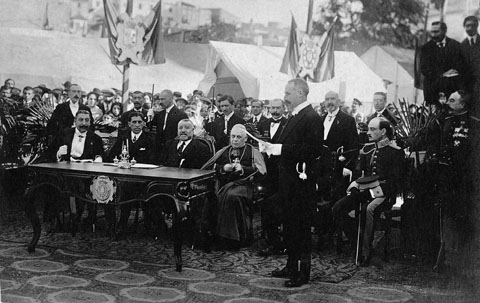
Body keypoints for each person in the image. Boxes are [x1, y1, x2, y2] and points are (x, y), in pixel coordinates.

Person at [262, 78, 324, 287]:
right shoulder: (296, 115)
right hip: (288, 182)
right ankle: (291, 266)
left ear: (300, 92)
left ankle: (302, 272)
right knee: (289, 225)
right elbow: (291, 144)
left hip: (301, 184)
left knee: (301, 227)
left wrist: (281, 149)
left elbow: (313, 150)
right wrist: (272, 147)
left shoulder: (312, 117)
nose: (285, 97)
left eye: (288, 94)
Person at [332, 117, 405, 266]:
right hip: (367, 189)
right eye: (368, 129)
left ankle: (365, 251)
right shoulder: (367, 149)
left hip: (384, 193)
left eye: (373, 129)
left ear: (383, 131)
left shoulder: (395, 152)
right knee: (338, 208)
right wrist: (356, 186)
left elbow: (394, 182)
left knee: (368, 209)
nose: (368, 133)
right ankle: (357, 243)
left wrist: (371, 190)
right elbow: (361, 173)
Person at [201, 124, 266, 249]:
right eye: (233, 136)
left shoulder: (253, 152)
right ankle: (216, 236)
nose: (235, 140)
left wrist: (244, 169)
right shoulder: (223, 151)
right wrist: (224, 168)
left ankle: (234, 238)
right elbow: (209, 167)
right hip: (222, 185)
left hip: (245, 186)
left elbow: (262, 172)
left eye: (238, 137)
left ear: (245, 139)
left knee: (233, 196)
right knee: (211, 197)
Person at [255, 98, 288, 256]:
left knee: (279, 206)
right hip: (267, 171)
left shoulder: (288, 124)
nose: (275, 111)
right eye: (272, 108)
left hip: (282, 171)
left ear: (283, 108)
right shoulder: (263, 124)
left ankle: (281, 240)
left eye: (278, 108)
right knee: (266, 203)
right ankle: (268, 237)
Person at [322, 91, 359, 200]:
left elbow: (354, 146)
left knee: (337, 199)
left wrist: (348, 166)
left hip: (339, 166)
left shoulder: (347, 120)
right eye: (327, 99)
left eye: (332, 99)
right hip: (323, 167)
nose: (329, 102)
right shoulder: (320, 119)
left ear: (338, 101)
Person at [420, 21, 465, 105]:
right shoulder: (426, 48)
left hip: (451, 89)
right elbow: (424, 69)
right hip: (432, 90)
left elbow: (459, 67)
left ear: (444, 31)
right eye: (432, 32)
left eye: (436, 32)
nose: (433, 35)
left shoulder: (456, 46)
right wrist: (443, 74)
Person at [151, 89, 188, 159]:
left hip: (172, 151)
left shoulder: (181, 115)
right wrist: (150, 117)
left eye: (163, 99)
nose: (160, 102)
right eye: (160, 99)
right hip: (159, 151)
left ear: (171, 99)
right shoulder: (159, 115)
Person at [461, 16, 480, 115]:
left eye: (472, 25)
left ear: (477, 25)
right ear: (464, 27)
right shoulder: (461, 46)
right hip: (467, 88)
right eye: (467, 26)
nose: (470, 28)